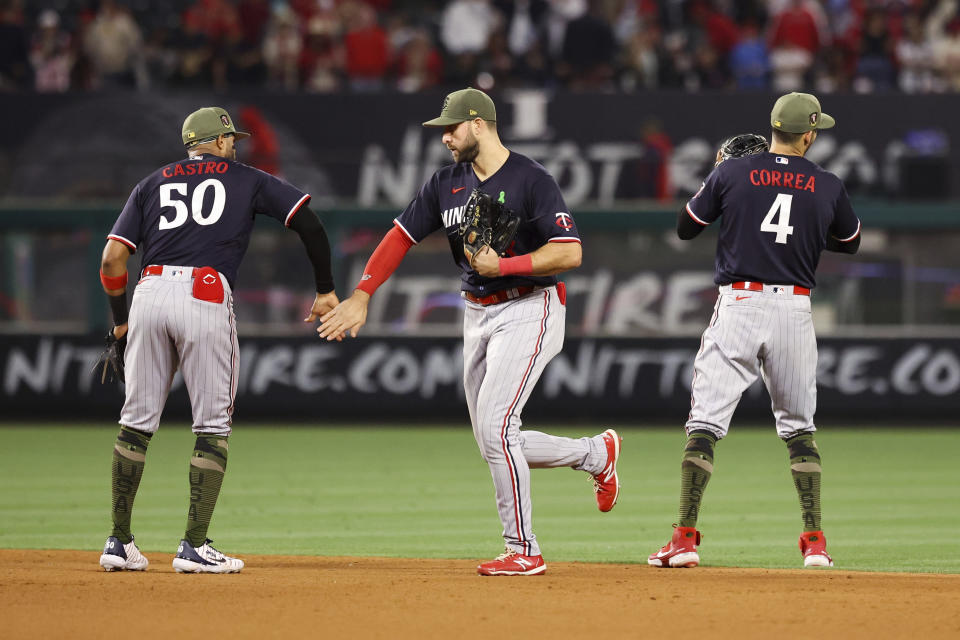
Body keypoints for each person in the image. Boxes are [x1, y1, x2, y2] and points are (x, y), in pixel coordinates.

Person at [317, 88, 622, 576]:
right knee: (492, 438)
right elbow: (400, 235)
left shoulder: (531, 179)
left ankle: (524, 549)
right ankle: (594, 453)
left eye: (451, 128)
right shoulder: (445, 183)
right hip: (476, 312)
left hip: (531, 306)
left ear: (479, 124)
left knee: (498, 428)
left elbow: (569, 252)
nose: (445, 138)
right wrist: (363, 294)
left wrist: (507, 264)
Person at [97, 106, 339, 573]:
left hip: (147, 292)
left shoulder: (151, 184)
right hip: (205, 292)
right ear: (222, 141)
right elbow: (309, 222)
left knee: (136, 421)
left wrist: (120, 320)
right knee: (212, 425)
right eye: (233, 139)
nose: (236, 146)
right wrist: (326, 288)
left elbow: (111, 260)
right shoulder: (245, 177)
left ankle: (118, 541)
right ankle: (193, 546)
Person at [648, 92, 861, 569]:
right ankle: (815, 543)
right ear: (808, 134)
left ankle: (684, 539)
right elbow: (850, 243)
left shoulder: (732, 173)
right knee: (800, 430)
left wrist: (721, 185)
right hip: (794, 310)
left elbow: (686, 228)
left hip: (740, 304)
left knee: (705, 424)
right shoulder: (827, 184)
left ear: (773, 128)